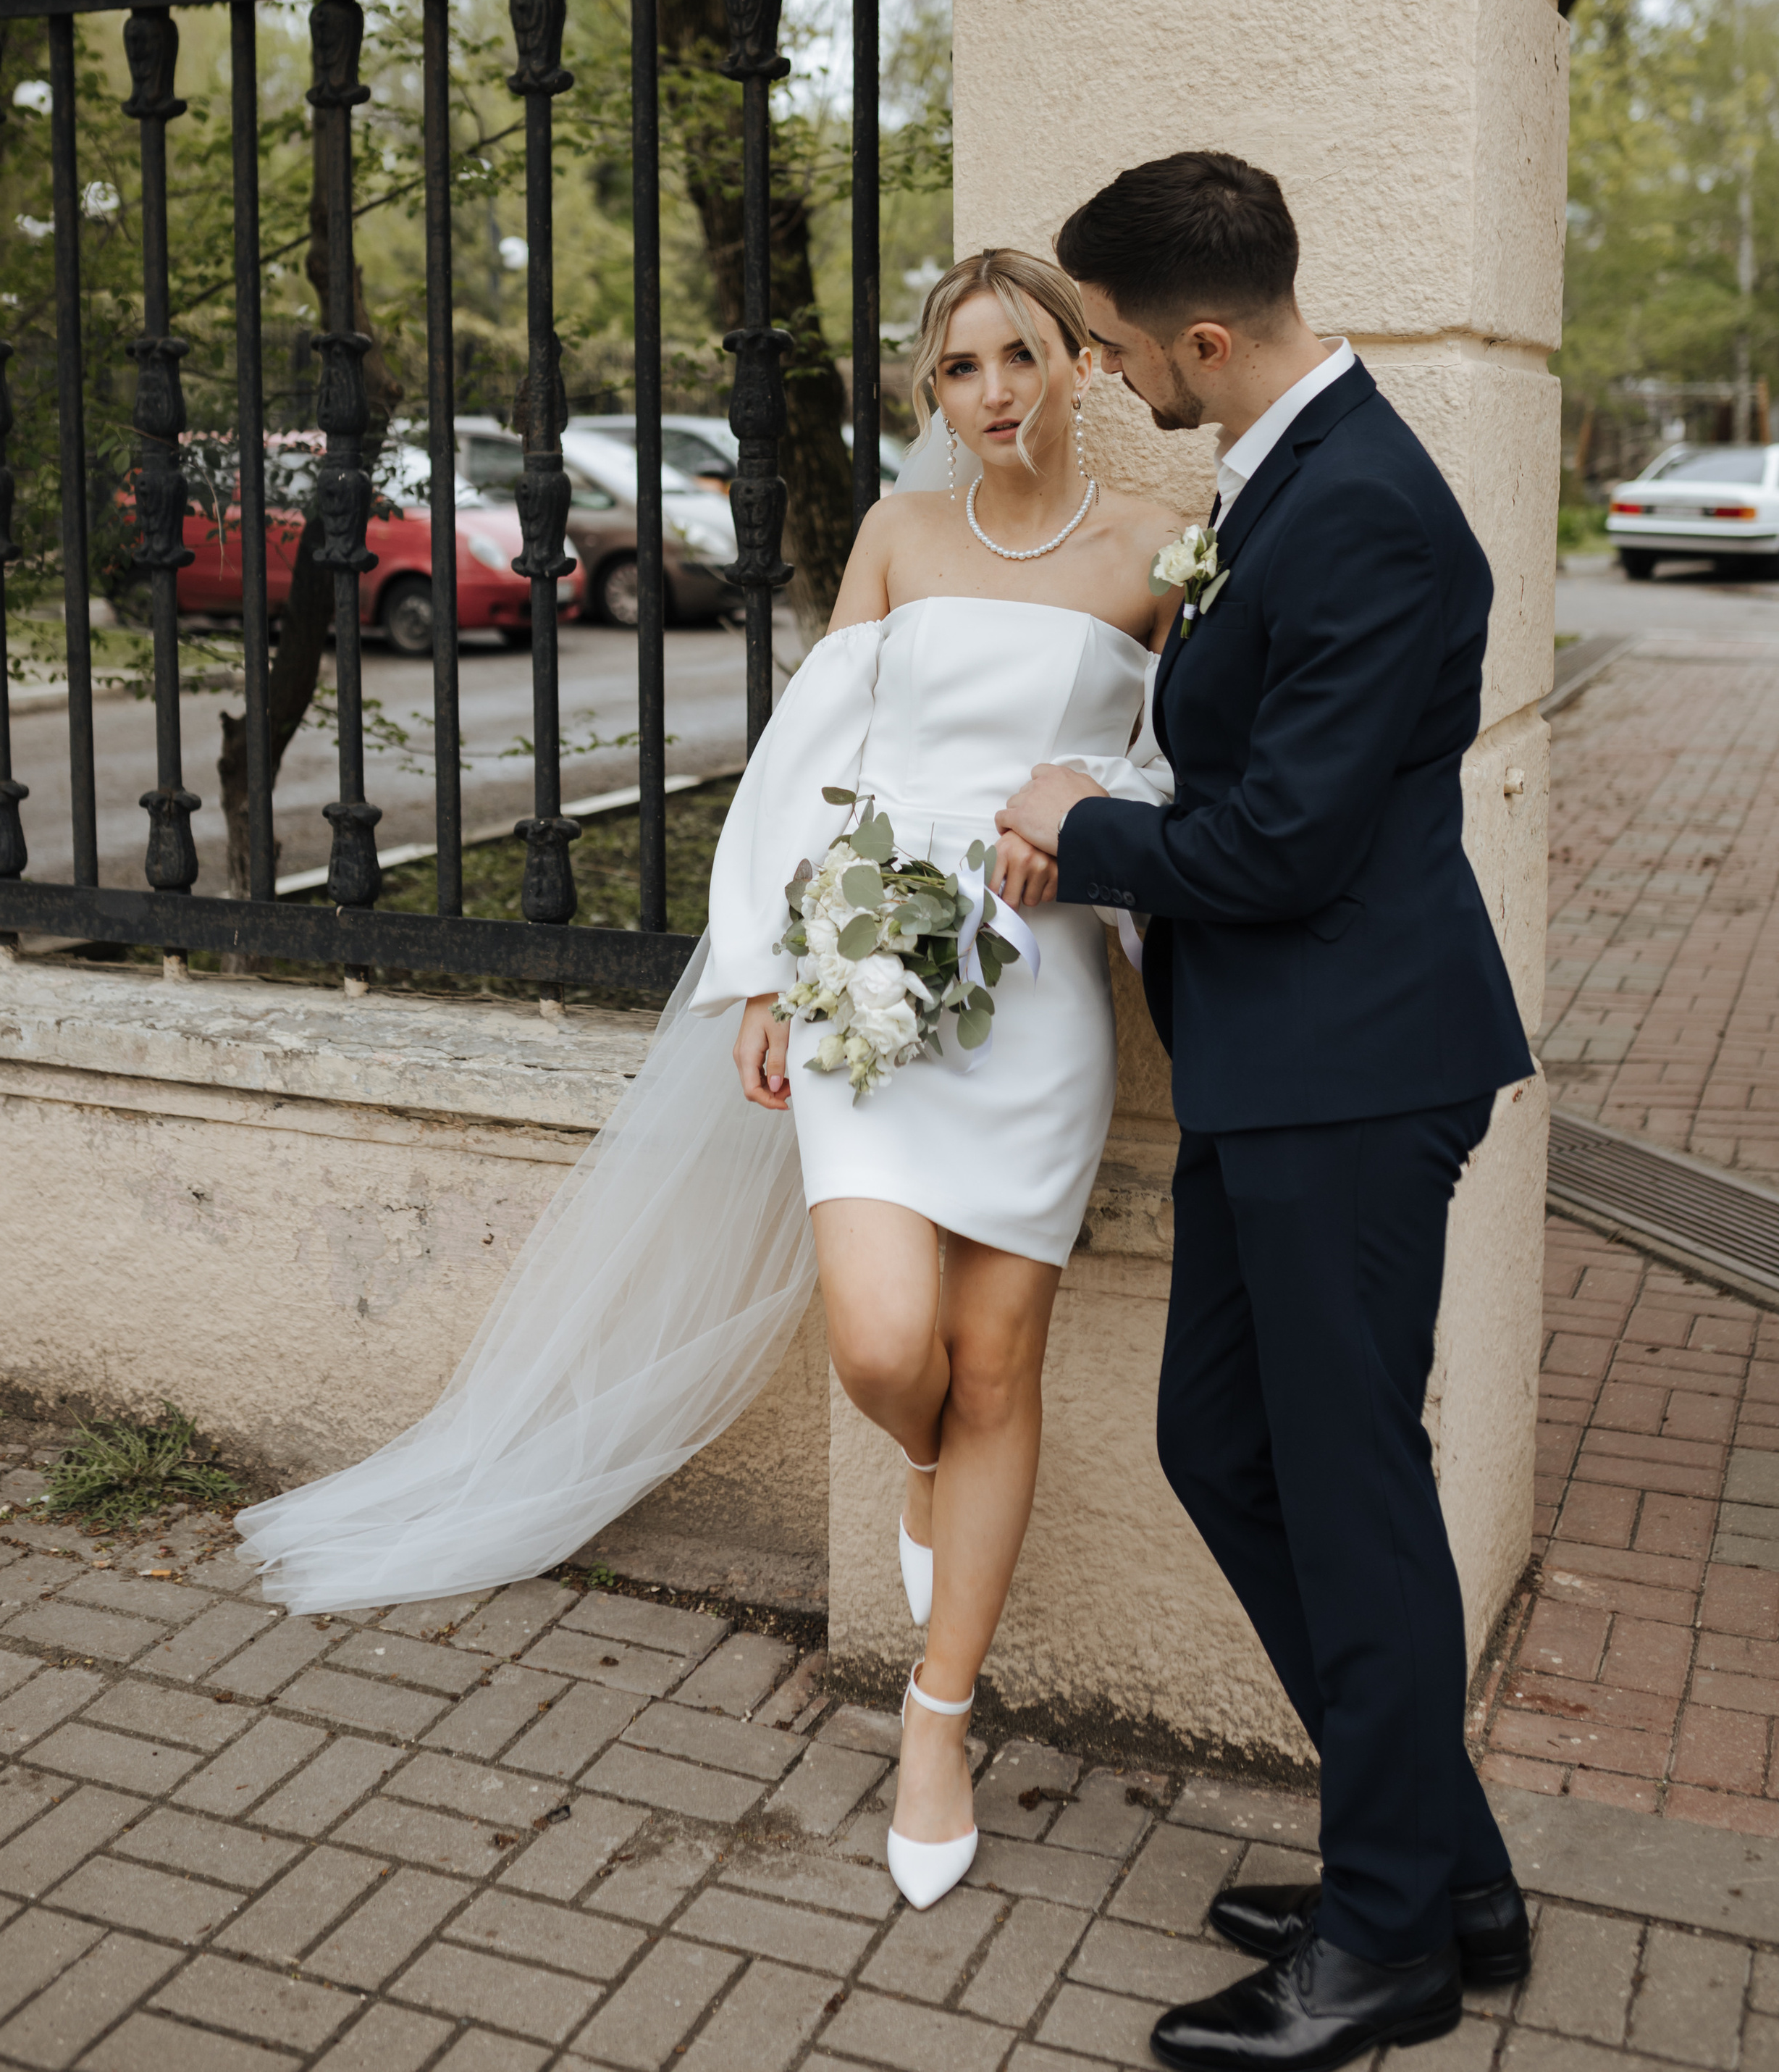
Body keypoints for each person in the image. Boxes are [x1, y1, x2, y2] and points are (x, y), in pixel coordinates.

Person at [237, 246, 1184, 1916]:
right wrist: (757, 965)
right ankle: (919, 1468)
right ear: (928, 396)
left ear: (1079, 368)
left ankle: (936, 1722)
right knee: (891, 1345)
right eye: (958, 369)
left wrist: (1089, 783)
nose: (993, 394)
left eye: (1020, 356)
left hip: (1035, 997)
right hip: (867, 980)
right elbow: (812, 757)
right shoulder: (896, 539)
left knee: (996, 1353)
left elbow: (1184, 760)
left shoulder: (1146, 558)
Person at [998, 153, 1538, 2072]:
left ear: (1204, 337)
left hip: (1356, 1071)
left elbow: (1292, 843)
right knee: (1225, 1442)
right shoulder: (1289, 472)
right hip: (1276, 1066)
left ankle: (1392, 1942)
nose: (1112, 379)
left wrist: (1083, 835)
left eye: (1123, 349)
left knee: (1345, 1485)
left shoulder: (1369, 505)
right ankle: (1442, 1874)